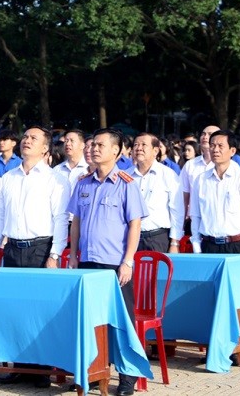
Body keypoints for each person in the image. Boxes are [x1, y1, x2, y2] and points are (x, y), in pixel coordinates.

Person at [0, 127, 70, 389]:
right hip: (12, 247)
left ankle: (40, 370)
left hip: (40, 248)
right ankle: (19, 366)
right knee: (14, 309)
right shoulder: (8, 177)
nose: (27, 141)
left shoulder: (55, 179)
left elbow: (60, 219)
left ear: (46, 148)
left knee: (38, 311)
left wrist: (55, 253)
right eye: (25, 137)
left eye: (34, 138)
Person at [68, 128, 147, 396]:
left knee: (122, 323)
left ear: (116, 150)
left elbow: (135, 225)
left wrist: (128, 262)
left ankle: (127, 377)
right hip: (88, 262)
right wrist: (73, 256)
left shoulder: (126, 183)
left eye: (101, 145)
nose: (94, 149)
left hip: (115, 265)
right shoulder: (83, 183)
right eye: (93, 145)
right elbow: (76, 222)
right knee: (91, 321)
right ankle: (94, 372)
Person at [190, 130, 240, 264]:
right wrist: (196, 247)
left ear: (232, 151)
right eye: (212, 145)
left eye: (220, 146)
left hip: (236, 246)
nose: (215, 150)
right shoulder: (200, 180)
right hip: (208, 246)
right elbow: (196, 215)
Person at [127, 133, 184, 253]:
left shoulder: (168, 175)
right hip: (129, 237)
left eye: (144, 145)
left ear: (155, 150)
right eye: (136, 145)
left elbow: (177, 210)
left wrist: (175, 242)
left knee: (158, 272)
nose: (139, 148)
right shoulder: (125, 176)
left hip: (157, 237)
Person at [181, 125, 220, 223]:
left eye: (210, 134)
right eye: (203, 134)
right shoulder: (190, 165)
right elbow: (182, 197)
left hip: (217, 221)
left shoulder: (226, 166)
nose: (205, 137)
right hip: (193, 220)